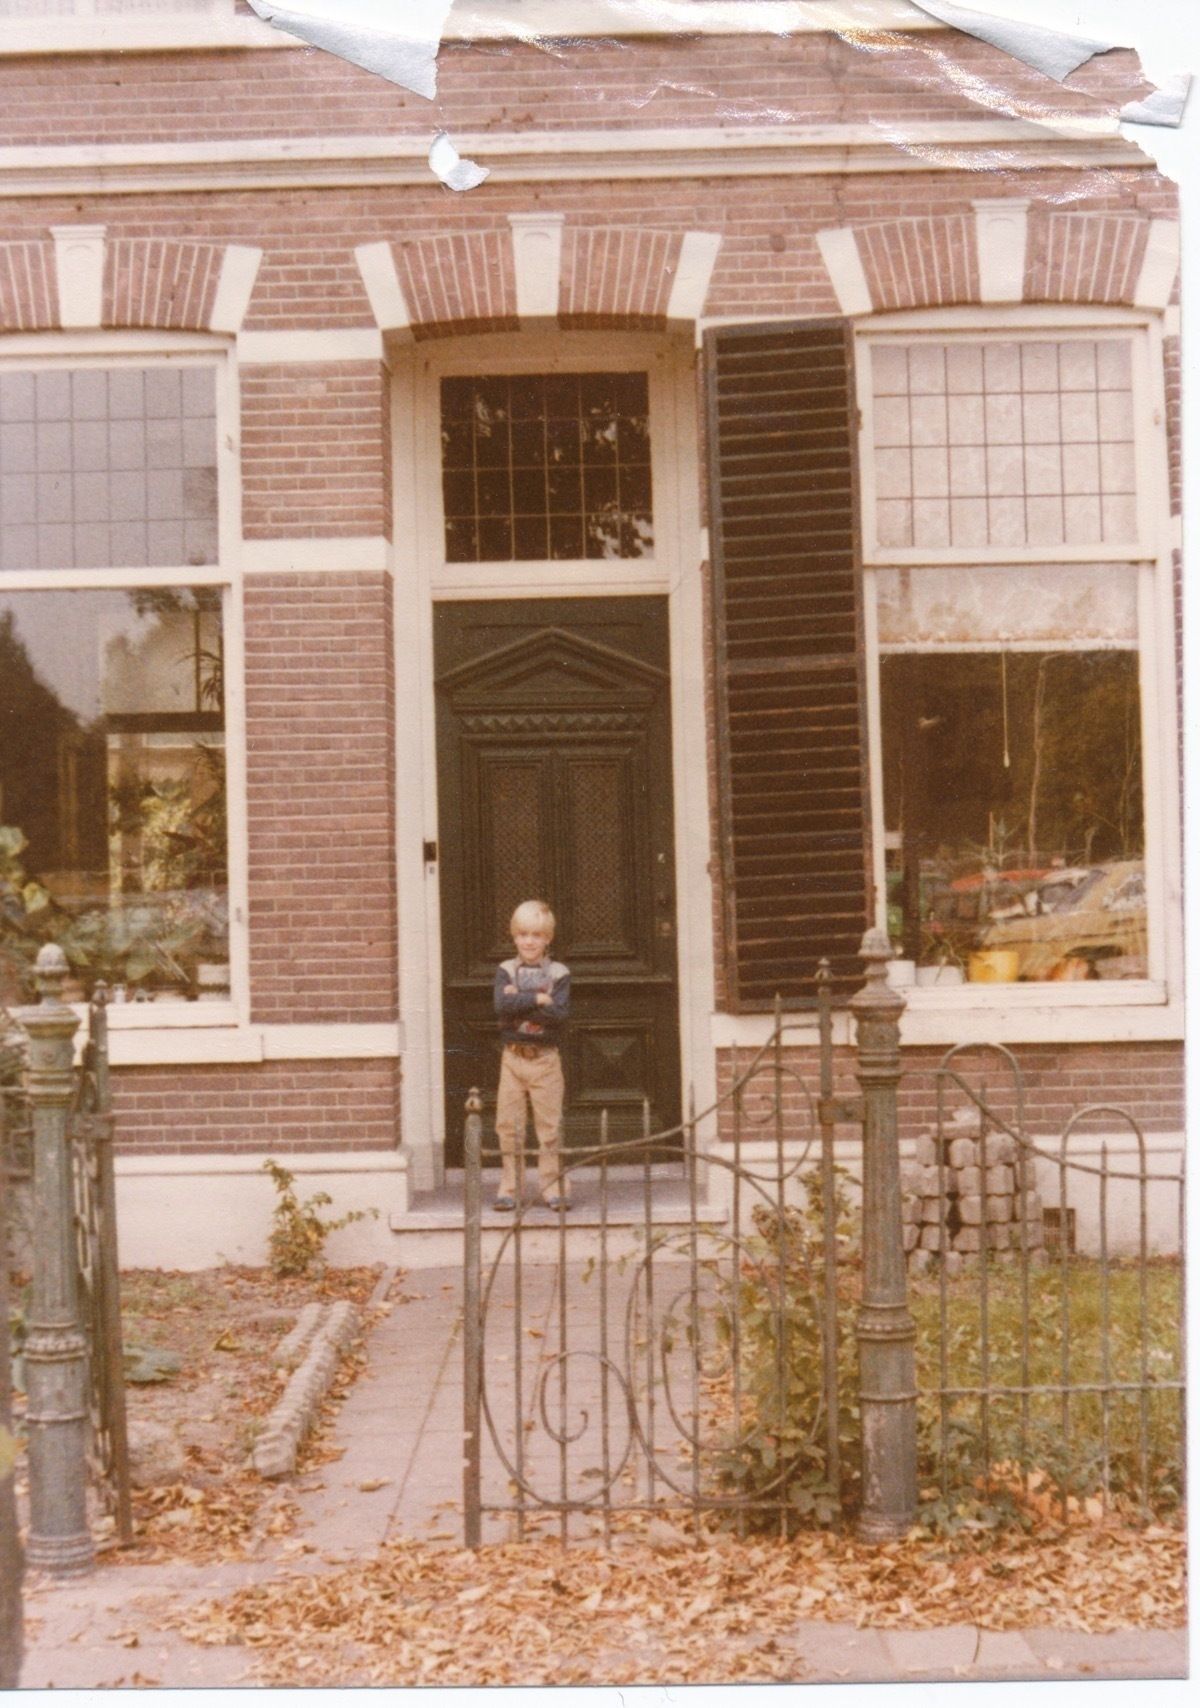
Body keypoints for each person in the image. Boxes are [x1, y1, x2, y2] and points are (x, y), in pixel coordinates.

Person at [492, 899, 571, 1212]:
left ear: (547, 938)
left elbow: (560, 1014)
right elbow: (501, 1008)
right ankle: (510, 1187)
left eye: (536, 935)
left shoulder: (560, 973)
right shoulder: (505, 971)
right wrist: (539, 997)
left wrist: (519, 999)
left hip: (546, 1059)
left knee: (549, 1126)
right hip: (513, 1058)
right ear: (514, 936)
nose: (529, 941)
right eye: (523, 934)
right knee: (508, 1126)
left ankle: (552, 1187)